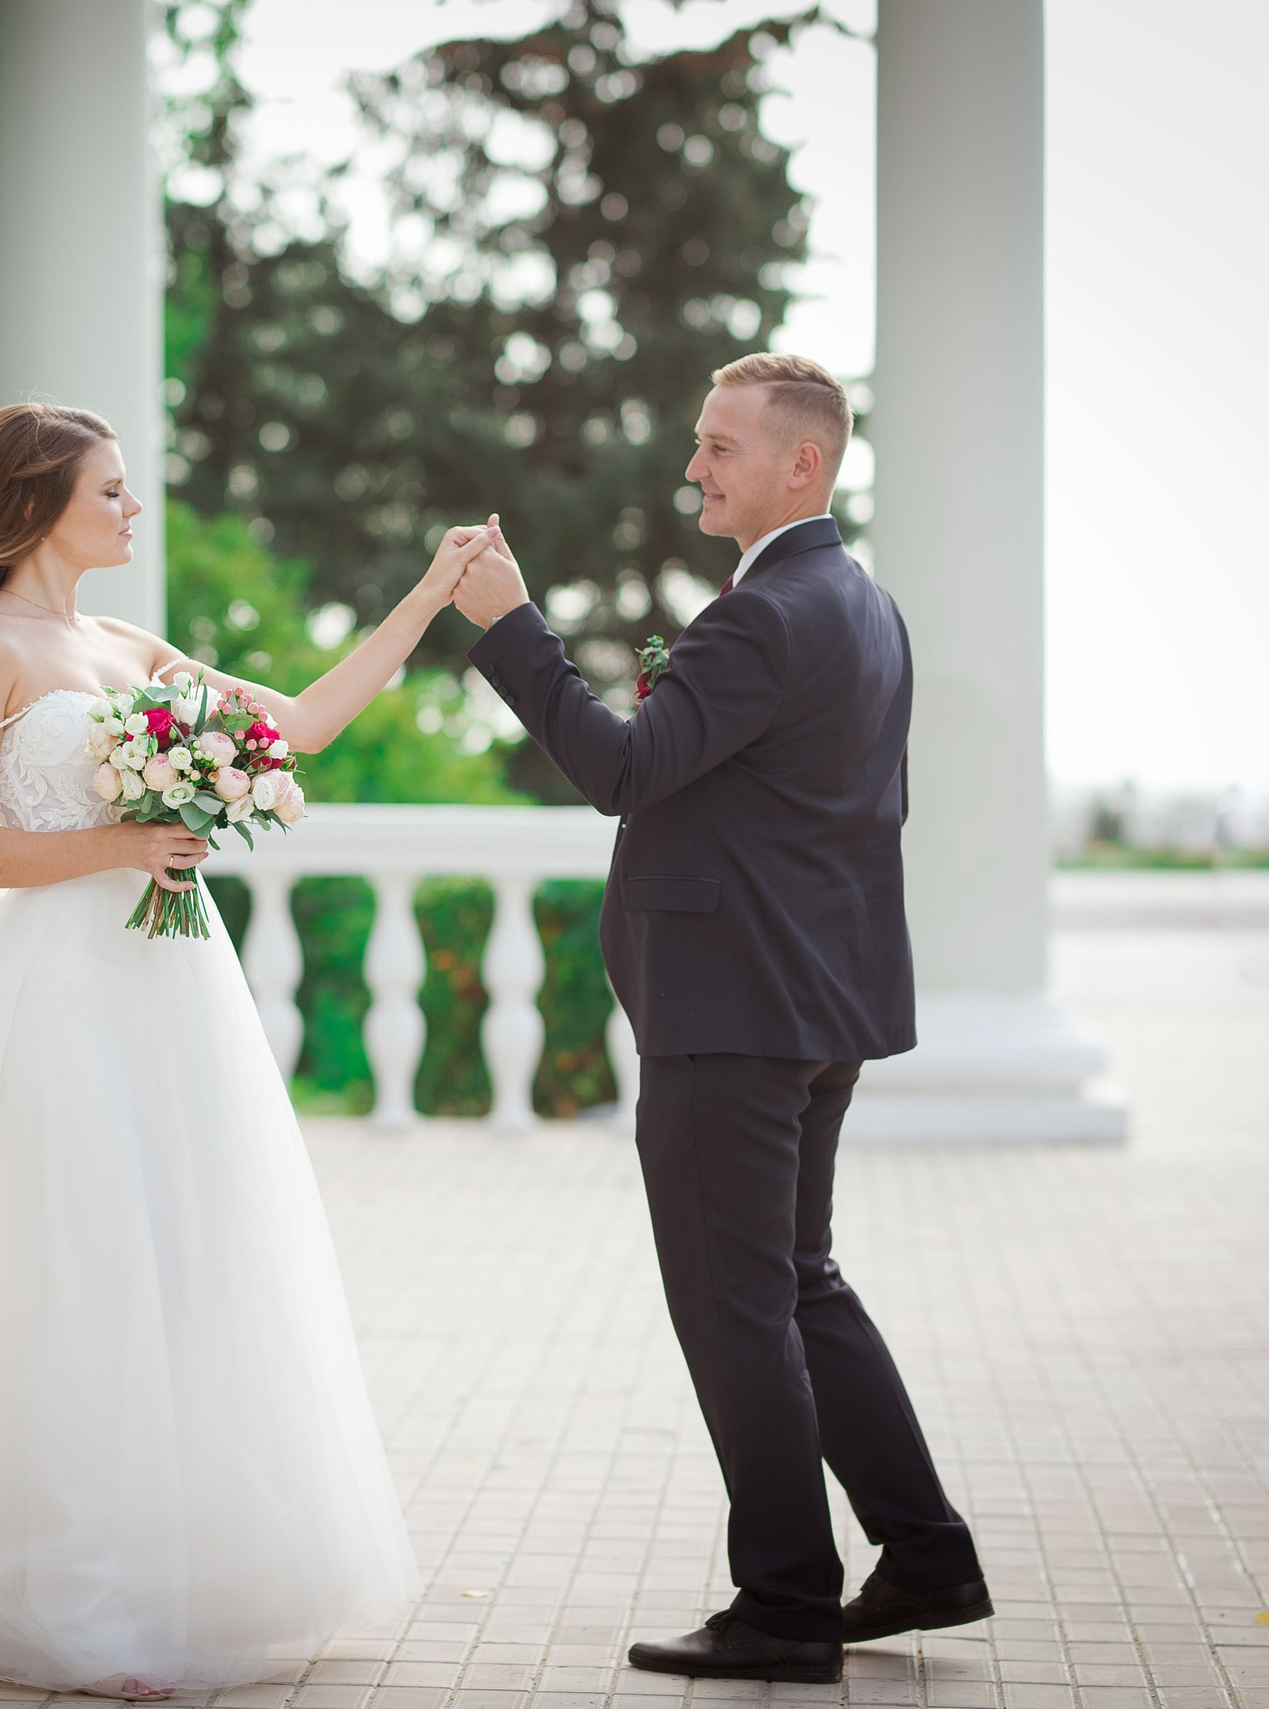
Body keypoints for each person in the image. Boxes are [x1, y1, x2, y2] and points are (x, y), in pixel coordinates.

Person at [0, 401, 496, 1700]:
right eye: (109, 488)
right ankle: (73, 1604)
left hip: (172, 987)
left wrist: (430, 596)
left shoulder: (125, 644)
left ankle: (160, 1569)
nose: (132, 507)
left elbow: (302, 725)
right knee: (77, 1260)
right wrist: (119, 843)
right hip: (58, 992)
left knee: (180, 1252)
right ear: (38, 503)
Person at [448, 353, 991, 1686]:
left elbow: (623, 768)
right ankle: (927, 1557)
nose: (693, 466)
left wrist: (513, 627)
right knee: (797, 1284)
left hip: (735, 1012)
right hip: (816, 1002)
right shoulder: (864, 605)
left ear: (802, 464)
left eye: (719, 447)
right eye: (699, 442)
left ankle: (787, 1603)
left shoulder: (762, 617)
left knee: (738, 1306)